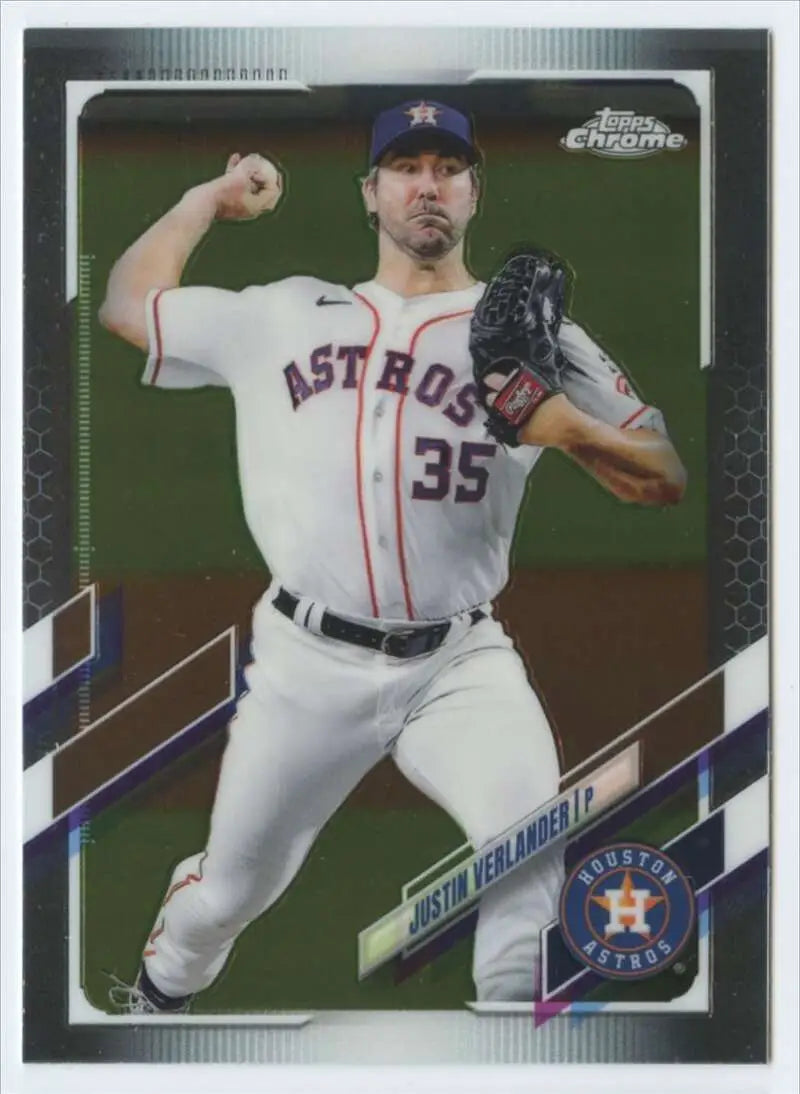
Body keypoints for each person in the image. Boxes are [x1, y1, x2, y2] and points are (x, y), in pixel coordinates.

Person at [99, 99, 686, 1013]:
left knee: (528, 864)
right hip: (305, 668)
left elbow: (662, 474)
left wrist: (563, 424)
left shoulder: (537, 339)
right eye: (406, 168)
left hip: (460, 663)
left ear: (474, 193)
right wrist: (206, 199)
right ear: (371, 193)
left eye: (447, 169)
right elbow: (128, 305)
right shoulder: (287, 313)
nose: (427, 186)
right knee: (226, 898)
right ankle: (152, 1002)